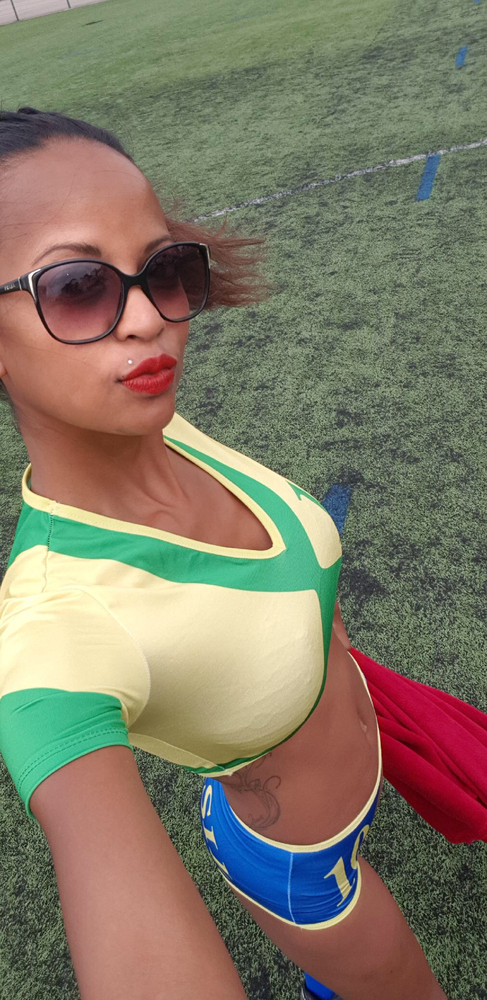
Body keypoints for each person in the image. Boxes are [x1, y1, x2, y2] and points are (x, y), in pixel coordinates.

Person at [0, 107, 448, 1000]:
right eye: (78, 286)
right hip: (307, 866)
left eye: (162, 269)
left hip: (369, 759)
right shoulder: (54, 628)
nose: (149, 321)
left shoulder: (159, 426)